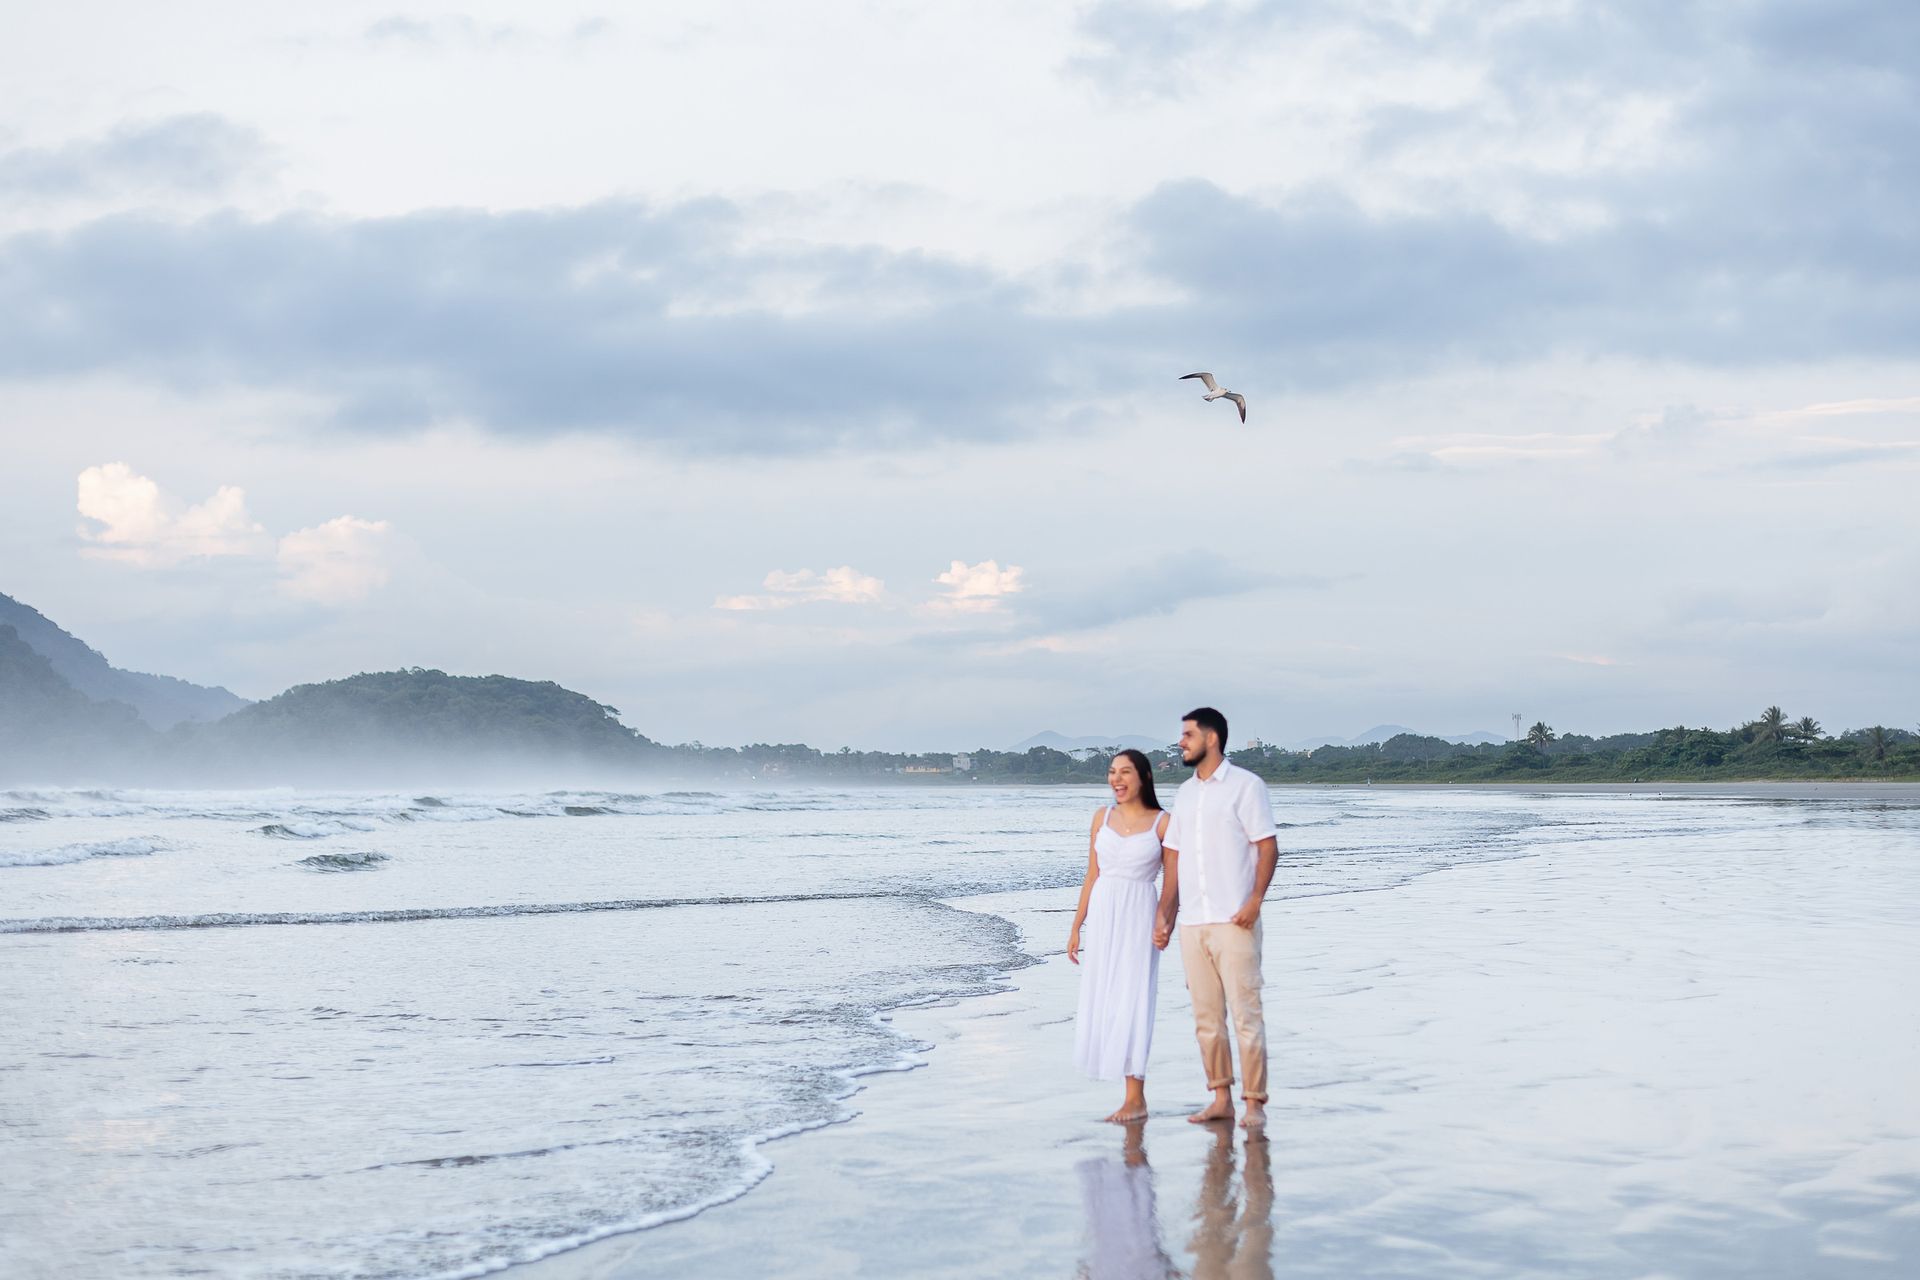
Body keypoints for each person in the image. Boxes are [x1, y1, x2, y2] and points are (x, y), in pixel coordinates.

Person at [1154, 706, 1278, 1132]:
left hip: (1235, 921)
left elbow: (1267, 847)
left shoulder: (1246, 786)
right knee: (1206, 1018)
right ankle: (1220, 1097)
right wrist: (1165, 915)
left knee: (1246, 1015)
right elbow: (1174, 857)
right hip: (1194, 923)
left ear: (1211, 738)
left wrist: (1254, 902)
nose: (1181, 742)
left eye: (1188, 735)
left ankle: (1254, 1102)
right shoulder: (1185, 794)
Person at [1069, 748, 1174, 1122]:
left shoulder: (1163, 822)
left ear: (1144, 777)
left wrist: (1165, 922)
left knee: (1134, 998)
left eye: (1125, 772)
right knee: (1105, 995)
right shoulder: (1101, 817)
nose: (1116, 778)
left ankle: (1135, 1098)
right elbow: (1091, 875)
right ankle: (1125, 1091)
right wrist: (1076, 924)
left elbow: (1173, 884)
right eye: (1112, 772)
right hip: (1103, 911)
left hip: (1140, 914)